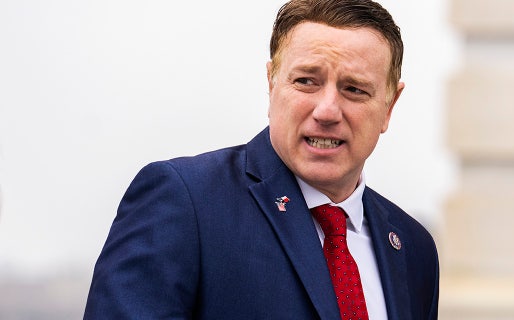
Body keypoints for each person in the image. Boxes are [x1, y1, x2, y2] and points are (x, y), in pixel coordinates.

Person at [84, 0, 439, 319]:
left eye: (354, 89)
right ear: (271, 85)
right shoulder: (186, 202)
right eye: (306, 81)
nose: (327, 110)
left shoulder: (414, 248)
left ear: (389, 107)